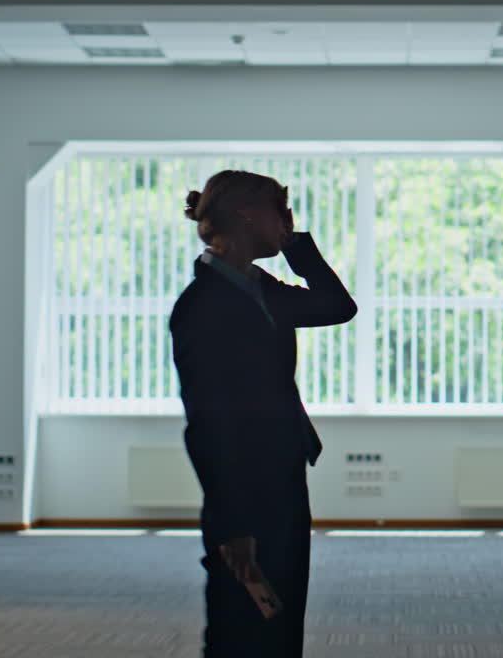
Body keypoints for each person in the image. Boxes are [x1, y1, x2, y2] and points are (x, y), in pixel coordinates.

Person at [169, 169, 357, 657]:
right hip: (244, 489)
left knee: (280, 613)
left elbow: (338, 306)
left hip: (281, 470)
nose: (288, 225)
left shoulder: (263, 290)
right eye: (283, 214)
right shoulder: (203, 305)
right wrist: (232, 525)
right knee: (242, 621)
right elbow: (207, 423)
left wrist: (295, 246)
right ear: (249, 214)